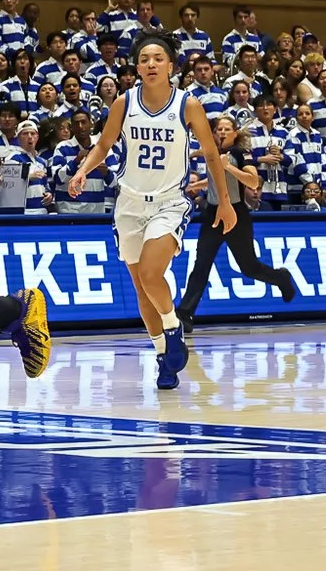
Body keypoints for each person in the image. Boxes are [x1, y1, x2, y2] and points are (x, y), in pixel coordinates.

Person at [66, 34, 240, 390]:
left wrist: (223, 201)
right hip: (129, 203)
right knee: (141, 290)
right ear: (137, 66)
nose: (150, 64)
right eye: (144, 58)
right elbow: (103, 144)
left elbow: (210, 155)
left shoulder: (187, 105)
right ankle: (164, 355)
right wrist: (83, 169)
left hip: (168, 203)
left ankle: (173, 329)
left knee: (150, 273)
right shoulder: (124, 103)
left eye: (158, 58)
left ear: (171, 66)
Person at [174, 114, 298, 333]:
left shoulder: (242, 153)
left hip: (236, 213)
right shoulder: (213, 153)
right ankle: (184, 314)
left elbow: (253, 181)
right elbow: (214, 180)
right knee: (201, 265)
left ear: (235, 133)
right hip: (213, 213)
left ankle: (281, 277)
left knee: (248, 267)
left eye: (226, 129)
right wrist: (194, 187)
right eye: (218, 129)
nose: (221, 132)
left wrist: (228, 167)